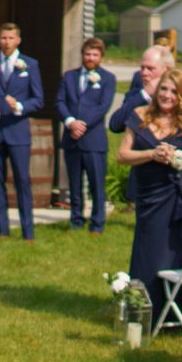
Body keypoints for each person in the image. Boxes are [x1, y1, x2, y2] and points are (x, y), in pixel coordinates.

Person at [117, 68, 182, 320]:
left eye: (173, 91)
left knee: (177, 253)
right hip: (149, 199)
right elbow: (122, 155)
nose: (167, 95)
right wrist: (151, 154)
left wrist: (178, 159)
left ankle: (181, 315)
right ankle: (145, 312)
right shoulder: (139, 115)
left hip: (180, 200)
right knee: (148, 255)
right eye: (164, 89)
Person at [111, 45, 182, 212]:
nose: (144, 73)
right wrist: (144, 95)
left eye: (150, 69)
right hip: (147, 185)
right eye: (142, 68)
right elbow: (115, 125)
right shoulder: (139, 91)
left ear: (168, 69)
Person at [0, 22, 43, 241]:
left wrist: (19, 106)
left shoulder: (30, 65)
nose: (7, 42)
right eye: (3, 38)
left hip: (17, 131)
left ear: (18, 40)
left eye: (11, 38)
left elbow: (38, 99)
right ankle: (3, 230)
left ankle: (28, 231)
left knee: (22, 180)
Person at [54, 37, 115, 233]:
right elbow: (60, 102)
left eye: (94, 55)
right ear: (82, 55)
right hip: (71, 139)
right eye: (87, 54)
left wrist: (83, 125)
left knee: (96, 184)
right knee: (74, 184)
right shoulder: (69, 76)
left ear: (100, 57)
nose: (90, 58)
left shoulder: (107, 79)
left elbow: (103, 107)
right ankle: (76, 220)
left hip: (94, 140)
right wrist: (70, 122)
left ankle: (97, 223)